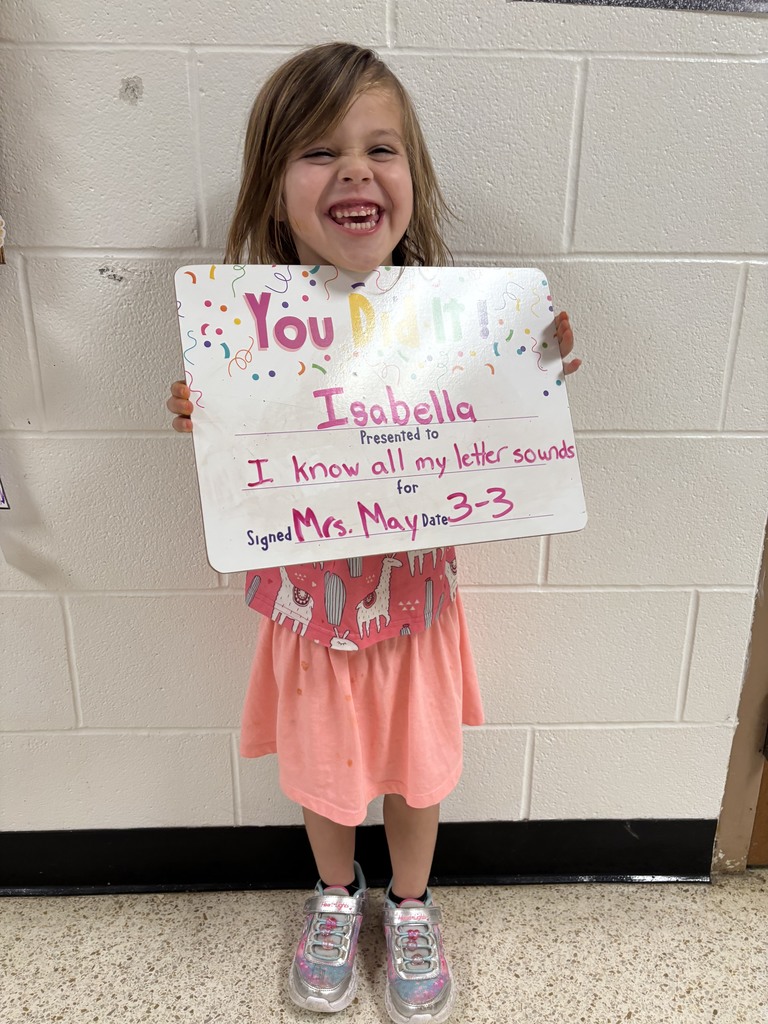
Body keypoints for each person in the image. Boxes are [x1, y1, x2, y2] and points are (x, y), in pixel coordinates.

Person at [167, 41, 580, 1023]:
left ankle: (410, 905)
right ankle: (334, 895)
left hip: (414, 608)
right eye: (319, 152)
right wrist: (206, 404)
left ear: (411, 179)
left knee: (419, 765)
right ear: (276, 193)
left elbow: (506, 420)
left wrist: (536, 365)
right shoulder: (247, 328)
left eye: (379, 149)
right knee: (321, 769)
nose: (355, 170)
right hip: (311, 611)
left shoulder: (456, 318)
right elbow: (242, 450)